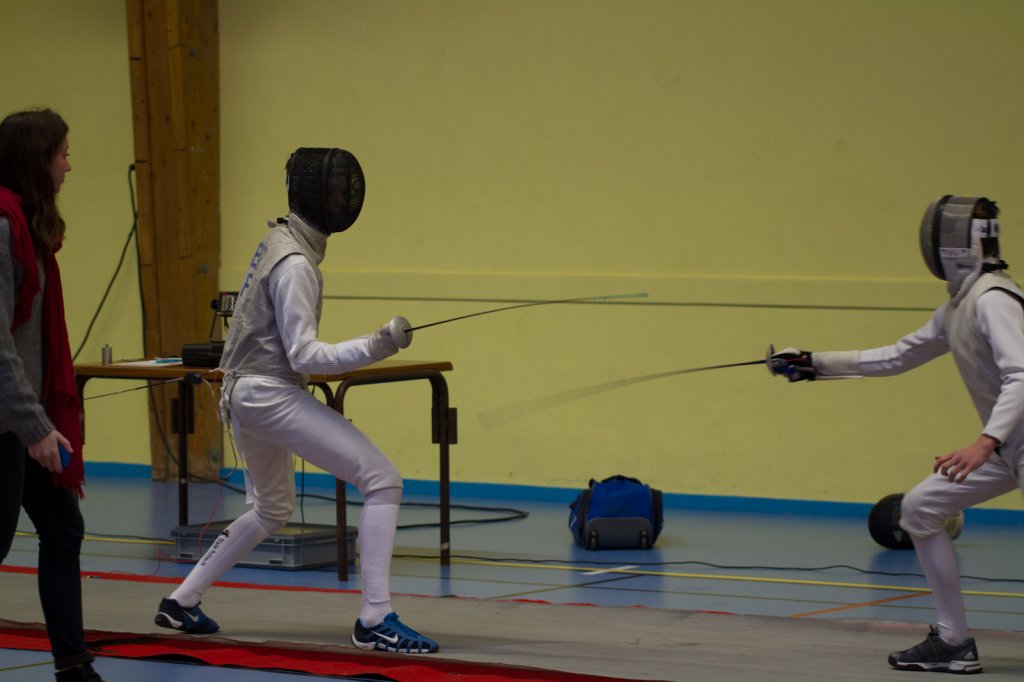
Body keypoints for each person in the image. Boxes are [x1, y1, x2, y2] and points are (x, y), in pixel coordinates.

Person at [154, 147, 439, 654]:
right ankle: (374, 619)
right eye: (335, 188)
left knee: (271, 507)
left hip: (246, 393)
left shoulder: (278, 240)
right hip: (267, 394)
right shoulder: (295, 265)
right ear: (316, 194)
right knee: (382, 480)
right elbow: (304, 354)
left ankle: (181, 601)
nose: (343, 197)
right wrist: (376, 344)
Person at [770, 195, 1024, 675]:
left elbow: (1022, 374)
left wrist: (984, 442)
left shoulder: (994, 300)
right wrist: (814, 364)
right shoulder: (960, 306)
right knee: (921, 509)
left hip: (1002, 442)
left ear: (951, 246)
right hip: (1009, 445)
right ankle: (952, 642)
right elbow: (897, 356)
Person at [0, 109, 104, 681]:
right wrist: (34, 426)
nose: (69, 165)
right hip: (9, 421)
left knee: (63, 529)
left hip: (24, 415)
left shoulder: (32, 230)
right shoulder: (2, 228)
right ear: (36, 161)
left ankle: (74, 667)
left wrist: (37, 419)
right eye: (62, 154)